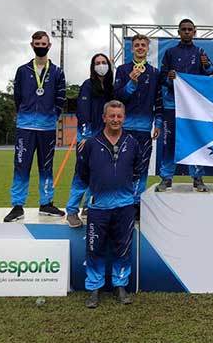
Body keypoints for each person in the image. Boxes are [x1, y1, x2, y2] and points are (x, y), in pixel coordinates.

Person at [78, 100, 141, 308]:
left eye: (119, 116)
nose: (115, 119)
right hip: (98, 206)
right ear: (104, 117)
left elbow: (137, 171)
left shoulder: (132, 143)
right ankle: (94, 288)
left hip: (124, 205)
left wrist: (128, 194)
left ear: (124, 118)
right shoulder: (91, 144)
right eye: (111, 116)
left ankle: (120, 285)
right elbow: (83, 174)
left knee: (122, 248)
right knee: (94, 248)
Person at [4, 31, 66, 222]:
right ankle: (17, 206)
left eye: (44, 43)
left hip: (47, 127)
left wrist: (52, 115)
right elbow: (17, 97)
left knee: (46, 166)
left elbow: (61, 97)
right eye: (37, 43)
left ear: (49, 46)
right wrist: (25, 114)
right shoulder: (23, 70)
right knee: (21, 166)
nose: (40, 46)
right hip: (26, 127)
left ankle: (46, 203)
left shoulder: (57, 72)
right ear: (32, 45)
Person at [156, 19, 212, 193]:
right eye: (184, 29)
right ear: (178, 32)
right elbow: (162, 78)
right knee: (169, 142)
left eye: (190, 29)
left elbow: (209, 76)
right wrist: (170, 77)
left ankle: (197, 177)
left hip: (193, 106)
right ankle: (166, 178)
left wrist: (207, 65)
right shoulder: (170, 52)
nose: (187, 32)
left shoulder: (200, 52)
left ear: (195, 32)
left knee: (194, 140)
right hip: (172, 104)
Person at [114, 34, 162, 216]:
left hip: (144, 128)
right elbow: (117, 98)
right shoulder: (122, 70)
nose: (140, 47)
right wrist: (131, 83)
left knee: (141, 166)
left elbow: (158, 100)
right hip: (123, 128)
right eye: (137, 45)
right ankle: (122, 201)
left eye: (143, 45)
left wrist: (157, 123)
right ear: (131, 49)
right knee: (122, 165)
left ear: (148, 48)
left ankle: (137, 202)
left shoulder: (154, 72)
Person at [65, 53, 114, 228]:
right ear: (93, 67)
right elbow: (83, 112)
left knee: (99, 173)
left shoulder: (110, 87)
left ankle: (88, 206)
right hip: (88, 135)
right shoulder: (87, 85)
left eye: (104, 62)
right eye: (97, 63)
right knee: (82, 173)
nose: (101, 65)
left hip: (105, 136)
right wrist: (85, 136)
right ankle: (71, 211)